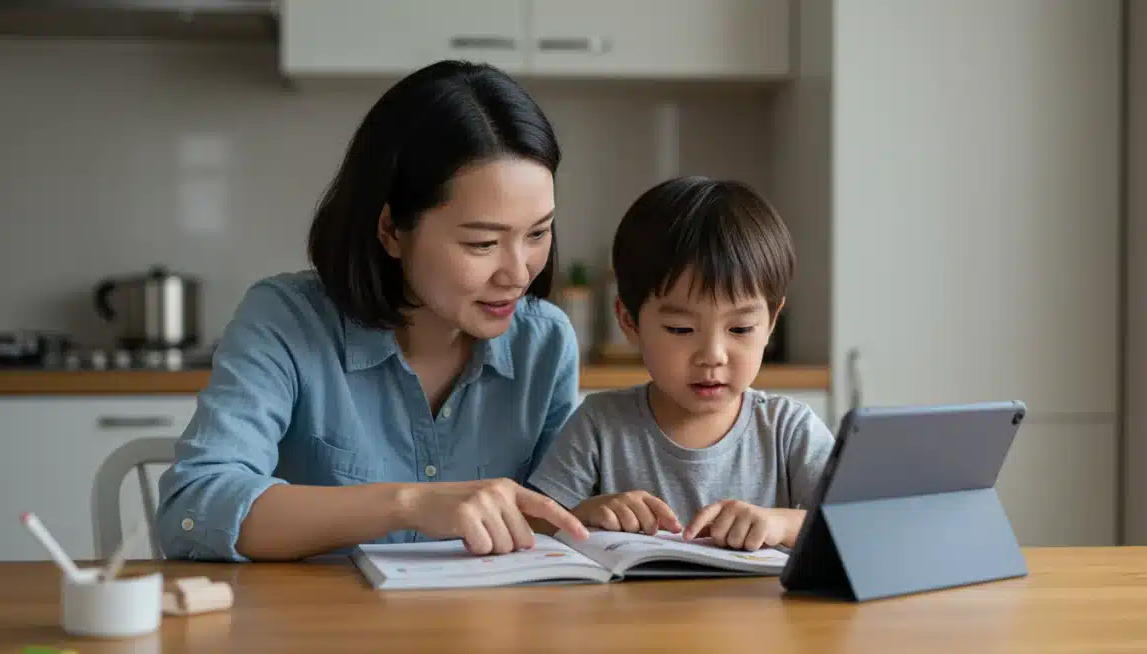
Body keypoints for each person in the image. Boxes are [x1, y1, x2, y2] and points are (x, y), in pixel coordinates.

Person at [155, 60, 589, 563]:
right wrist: (406, 504)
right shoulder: (286, 321)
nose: (518, 272)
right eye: (483, 243)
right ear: (390, 230)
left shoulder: (545, 343)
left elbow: (554, 518)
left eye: (538, 233)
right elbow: (192, 509)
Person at [526, 176, 835, 552]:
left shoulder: (788, 430)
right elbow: (532, 523)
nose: (713, 355)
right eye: (681, 328)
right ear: (629, 322)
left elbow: (853, 520)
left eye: (740, 327)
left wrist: (781, 523)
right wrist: (585, 514)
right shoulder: (599, 425)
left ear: (770, 323)